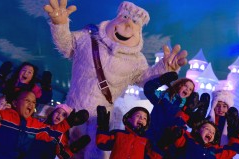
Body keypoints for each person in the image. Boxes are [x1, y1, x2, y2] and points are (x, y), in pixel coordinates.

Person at [43, 1, 188, 158]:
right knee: (58, 149)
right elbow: (66, 45)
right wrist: (60, 24)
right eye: (125, 17)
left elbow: (145, 79)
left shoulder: (136, 60)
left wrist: (165, 69)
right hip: (71, 110)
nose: (128, 25)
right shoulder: (88, 38)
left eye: (135, 22)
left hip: (100, 118)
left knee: (94, 153)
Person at [0, 90, 89, 158]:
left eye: (34, 102)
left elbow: (50, 133)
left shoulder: (34, 125)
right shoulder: (4, 116)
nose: (31, 104)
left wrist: (69, 123)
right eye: (27, 100)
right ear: (15, 103)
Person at [144, 72, 195, 148]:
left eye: (190, 89)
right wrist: (160, 81)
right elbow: (149, 90)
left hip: (165, 141)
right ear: (180, 85)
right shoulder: (165, 95)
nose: (187, 89)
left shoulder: (184, 108)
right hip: (150, 132)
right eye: (185, 86)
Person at [96, 106, 162, 159]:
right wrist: (102, 127)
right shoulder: (119, 134)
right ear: (129, 119)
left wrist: (160, 145)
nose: (141, 119)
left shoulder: (146, 141)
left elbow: (154, 157)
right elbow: (102, 143)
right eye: (138, 116)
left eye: (145, 118)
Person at [158, 120, 239, 159]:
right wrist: (177, 132)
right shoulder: (189, 139)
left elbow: (231, 151)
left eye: (213, 133)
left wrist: (237, 136)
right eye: (207, 129)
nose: (210, 133)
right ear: (198, 130)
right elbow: (177, 133)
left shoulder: (215, 151)